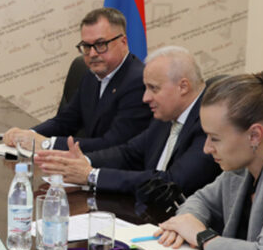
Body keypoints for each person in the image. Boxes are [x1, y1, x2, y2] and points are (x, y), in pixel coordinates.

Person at [155, 71, 263, 250]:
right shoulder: (242, 166)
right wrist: (184, 223)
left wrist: (202, 237)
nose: (207, 148)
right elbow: (201, 200)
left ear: (254, 135)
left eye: (215, 138)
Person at [36, 46, 221, 196]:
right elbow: (129, 153)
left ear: (183, 87)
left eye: (153, 89)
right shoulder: (167, 114)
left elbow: (171, 183)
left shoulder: (210, 124)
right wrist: (82, 162)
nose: (145, 98)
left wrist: (92, 175)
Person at [4, 8, 152, 152]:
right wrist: (27, 135)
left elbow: (113, 145)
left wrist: (47, 144)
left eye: (100, 44)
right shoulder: (91, 75)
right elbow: (65, 121)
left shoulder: (138, 81)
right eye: (86, 46)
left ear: (123, 42)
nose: (92, 54)